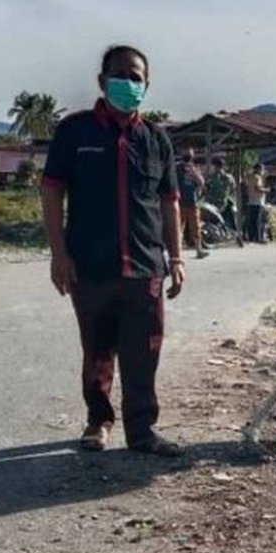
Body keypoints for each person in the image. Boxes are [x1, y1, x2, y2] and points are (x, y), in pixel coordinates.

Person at [40, 44, 187, 456]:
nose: (128, 82)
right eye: (119, 75)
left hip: (145, 268)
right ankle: (98, 422)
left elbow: (169, 202)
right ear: (102, 81)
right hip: (91, 265)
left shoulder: (157, 140)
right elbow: (52, 192)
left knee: (145, 355)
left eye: (136, 76)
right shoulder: (75, 132)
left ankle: (142, 432)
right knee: (97, 350)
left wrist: (175, 258)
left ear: (147, 85)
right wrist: (58, 254)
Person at [176, 148, 208, 259]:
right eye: (186, 154)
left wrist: (194, 173)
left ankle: (199, 250)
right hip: (180, 202)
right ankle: (177, 252)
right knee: (179, 227)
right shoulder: (177, 168)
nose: (188, 156)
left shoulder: (194, 168)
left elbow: (201, 183)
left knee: (195, 227)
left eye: (190, 154)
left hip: (192, 202)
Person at [204, 156, 238, 239]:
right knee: (230, 219)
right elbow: (233, 188)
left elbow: (206, 188)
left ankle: (217, 235)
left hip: (212, 203)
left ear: (215, 166)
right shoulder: (229, 177)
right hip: (224, 202)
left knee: (212, 220)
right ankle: (234, 233)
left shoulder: (211, 177)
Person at [244, 163, 268, 243]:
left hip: (251, 201)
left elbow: (247, 186)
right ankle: (258, 238)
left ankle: (251, 237)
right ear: (258, 169)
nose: (263, 171)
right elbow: (257, 188)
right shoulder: (257, 178)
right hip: (258, 201)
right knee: (258, 220)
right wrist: (267, 190)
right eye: (262, 169)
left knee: (252, 221)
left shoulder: (250, 177)